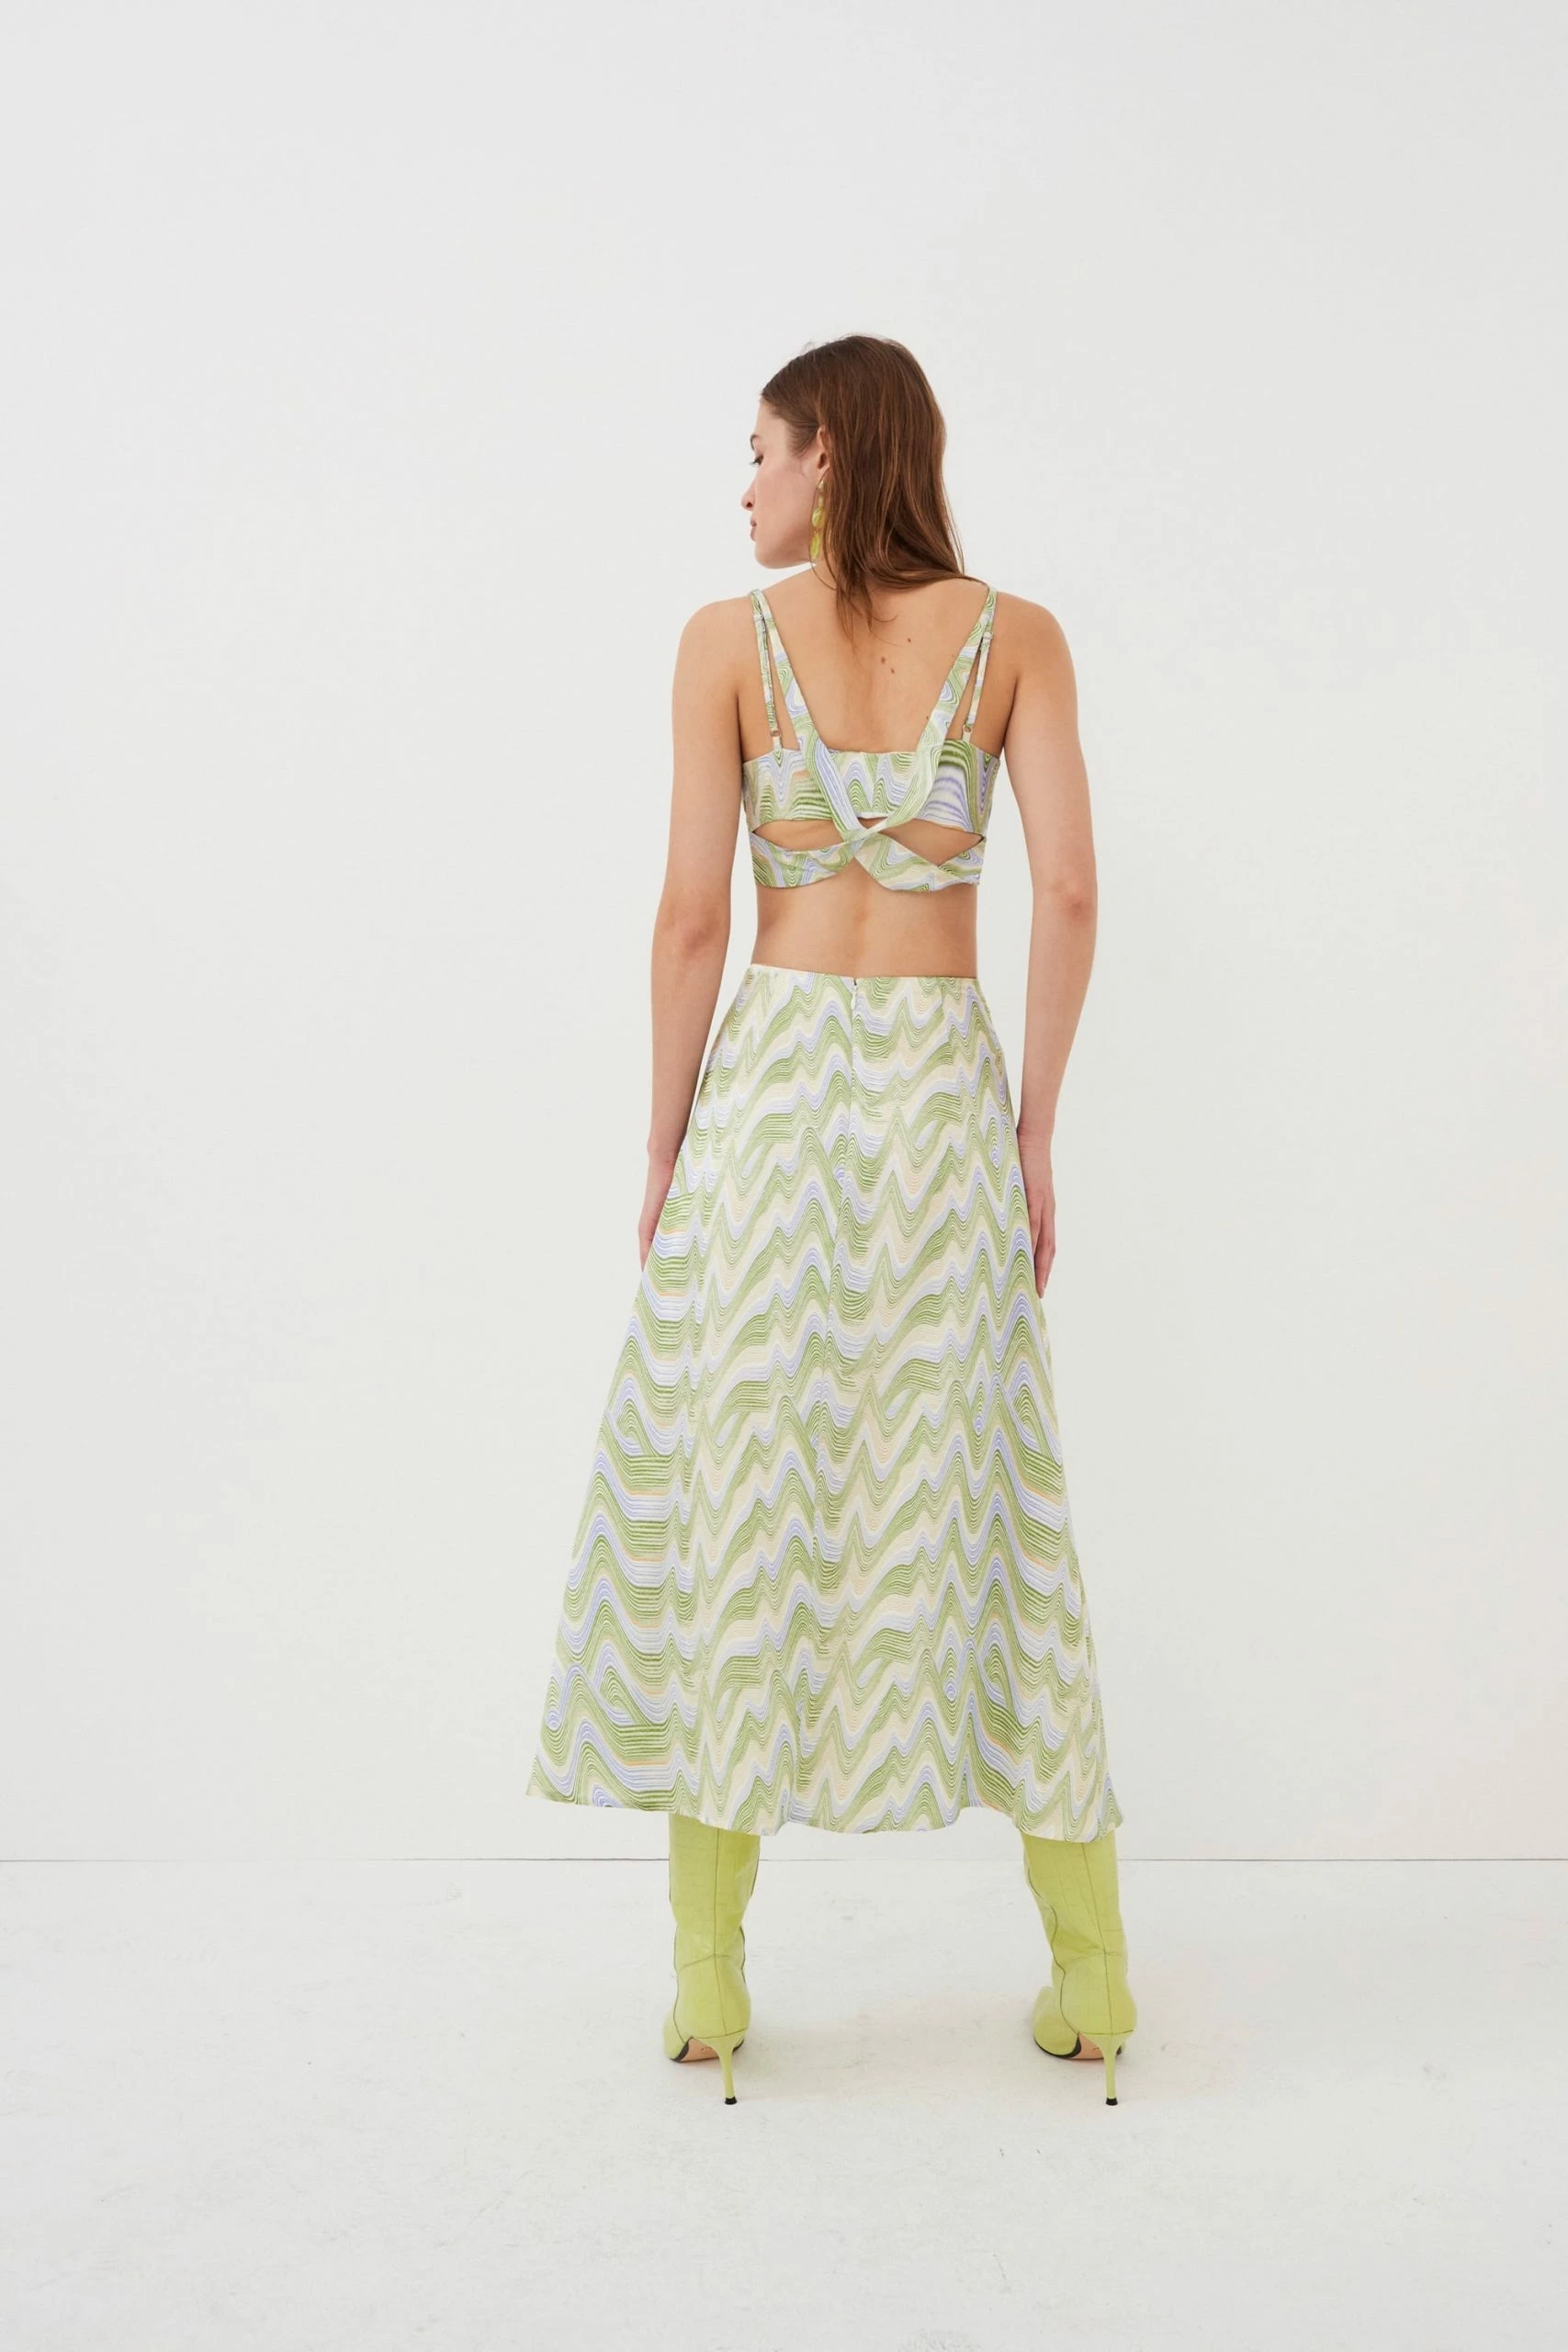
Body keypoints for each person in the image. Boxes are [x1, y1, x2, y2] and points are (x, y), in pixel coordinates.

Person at [526, 334, 1138, 2107]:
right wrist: (1034, 1129)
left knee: (738, 1495)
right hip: (939, 1094)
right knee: (999, 1514)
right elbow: (1070, 890)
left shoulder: (725, 644)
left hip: (779, 1095)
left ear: (830, 456)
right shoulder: (1017, 638)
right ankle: (1092, 1981)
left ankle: (709, 1987)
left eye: (761, 450)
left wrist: (664, 1142)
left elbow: (689, 920)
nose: (744, 487)